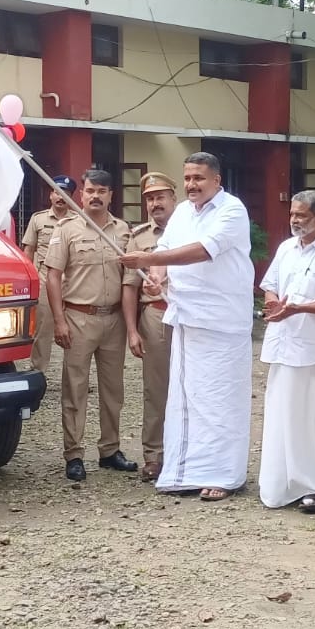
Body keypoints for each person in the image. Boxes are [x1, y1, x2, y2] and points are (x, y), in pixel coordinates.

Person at [120, 152, 255, 501]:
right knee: (186, 400)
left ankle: (225, 475)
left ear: (216, 181)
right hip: (186, 319)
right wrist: (156, 276)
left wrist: (149, 259)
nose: (192, 184)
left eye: (199, 178)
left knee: (219, 400)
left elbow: (203, 251)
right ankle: (186, 472)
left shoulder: (232, 210)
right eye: (189, 178)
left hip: (222, 323)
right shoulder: (182, 213)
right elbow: (167, 248)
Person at [46, 170, 136, 482]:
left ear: (112, 195)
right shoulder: (67, 228)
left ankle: (110, 450)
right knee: (75, 389)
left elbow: (130, 278)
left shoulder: (123, 230)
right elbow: (53, 275)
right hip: (78, 317)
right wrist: (59, 320)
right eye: (90, 190)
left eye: (102, 190)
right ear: (81, 194)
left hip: (113, 320)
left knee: (114, 390)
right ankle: (74, 454)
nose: (95, 196)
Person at [258, 191, 315, 513]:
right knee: (280, 416)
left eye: (302, 215)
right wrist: (272, 301)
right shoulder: (286, 249)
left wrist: (296, 308)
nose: (295, 220)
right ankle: (278, 486)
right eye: (293, 214)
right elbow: (271, 284)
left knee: (313, 420)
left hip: (314, 350)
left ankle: (314, 489)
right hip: (282, 345)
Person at [124, 172, 177, 483]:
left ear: (173, 198)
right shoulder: (139, 236)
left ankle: (189, 452)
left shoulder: (190, 229)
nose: (155, 203)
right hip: (156, 317)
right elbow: (130, 286)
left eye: (161, 196)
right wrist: (133, 330)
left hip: (190, 317)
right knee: (157, 390)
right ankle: (154, 455)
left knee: (193, 386)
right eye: (149, 198)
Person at [22, 175, 78, 371]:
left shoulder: (80, 221)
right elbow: (28, 251)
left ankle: (74, 374)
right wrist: (29, 280)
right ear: (51, 195)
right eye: (57, 192)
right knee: (42, 330)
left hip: (72, 283)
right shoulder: (38, 219)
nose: (61, 197)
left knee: (76, 331)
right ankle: (38, 370)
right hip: (45, 282)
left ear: (72, 197)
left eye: (66, 194)